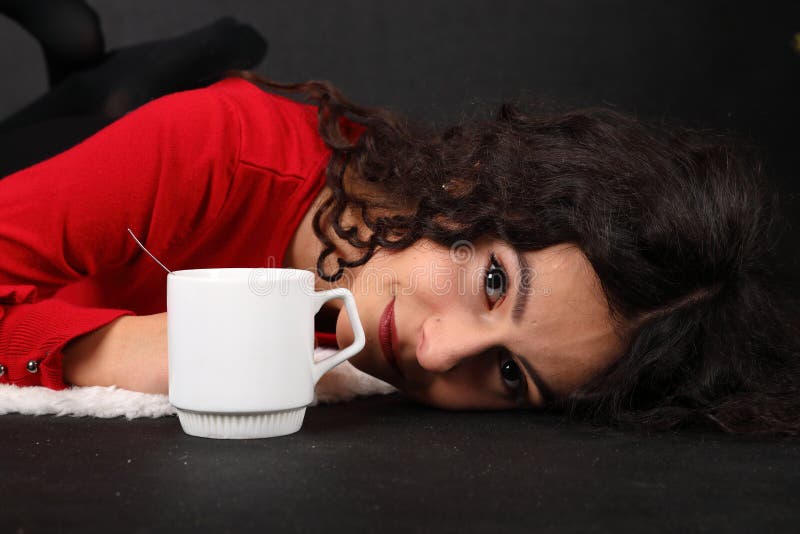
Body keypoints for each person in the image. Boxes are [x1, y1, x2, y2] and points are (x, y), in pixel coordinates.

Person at [1, 6, 798, 437]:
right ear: (477, 185)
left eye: (510, 376)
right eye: (491, 281)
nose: (436, 352)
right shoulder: (222, 153)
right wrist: (107, 350)